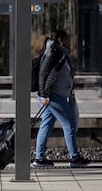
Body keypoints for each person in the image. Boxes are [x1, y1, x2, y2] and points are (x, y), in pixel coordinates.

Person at [32, 29, 91, 168]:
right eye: (67, 39)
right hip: (53, 96)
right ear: (60, 40)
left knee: (46, 124)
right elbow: (43, 73)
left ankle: (39, 159)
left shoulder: (57, 52)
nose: (69, 41)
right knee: (69, 124)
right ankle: (75, 158)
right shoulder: (55, 52)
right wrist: (44, 94)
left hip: (53, 95)